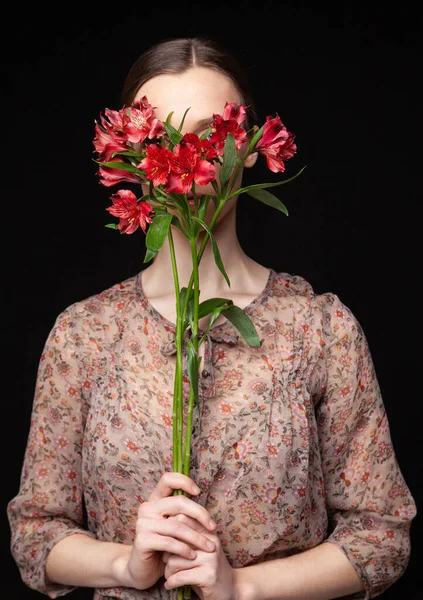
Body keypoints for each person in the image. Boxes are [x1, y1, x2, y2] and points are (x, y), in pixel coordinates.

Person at [7, 37, 417, 600]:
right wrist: (127, 566)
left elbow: (382, 534)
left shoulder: (319, 329)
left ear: (249, 147)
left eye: (209, 135)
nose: (187, 161)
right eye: (158, 139)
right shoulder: (84, 335)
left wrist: (241, 588)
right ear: (127, 155)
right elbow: (35, 534)